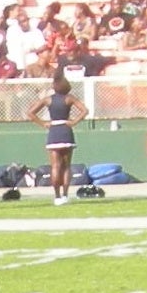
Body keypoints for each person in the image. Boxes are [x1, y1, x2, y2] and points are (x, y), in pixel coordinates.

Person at [43, 69, 87, 204]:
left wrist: (43, 123)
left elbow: (30, 112)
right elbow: (84, 110)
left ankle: (57, 196)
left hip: (54, 131)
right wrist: (74, 122)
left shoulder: (48, 99)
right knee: (66, 166)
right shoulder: (69, 98)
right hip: (66, 131)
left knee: (55, 166)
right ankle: (65, 195)